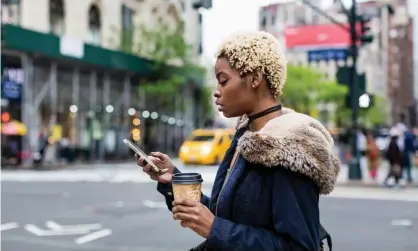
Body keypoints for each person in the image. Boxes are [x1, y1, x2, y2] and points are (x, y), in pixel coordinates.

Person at [136, 31, 340, 251]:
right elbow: (226, 218)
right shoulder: (245, 136)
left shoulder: (290, 148)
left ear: (255, 78)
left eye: (223, 81)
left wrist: (214, 228)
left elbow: (299, 247)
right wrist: (172, 180)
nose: (216, 92)